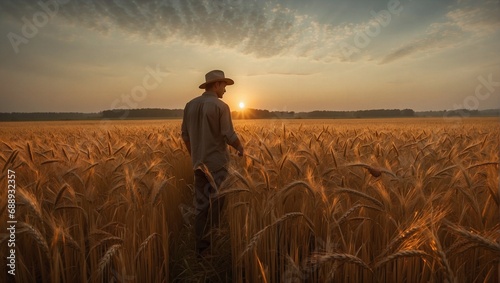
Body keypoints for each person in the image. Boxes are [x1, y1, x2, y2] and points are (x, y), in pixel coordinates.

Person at [181, 70, 244, 257]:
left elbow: (185, 135)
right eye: (224, 85)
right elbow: (228, 134)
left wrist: (194, 155)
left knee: (201, 207)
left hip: (198, 165)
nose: (225, 90)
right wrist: (241, 148)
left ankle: (201, 250)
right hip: (218, 166)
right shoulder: (220, 106)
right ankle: (213, 243)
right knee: (216, 205)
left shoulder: (189, 105)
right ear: (216, 85)